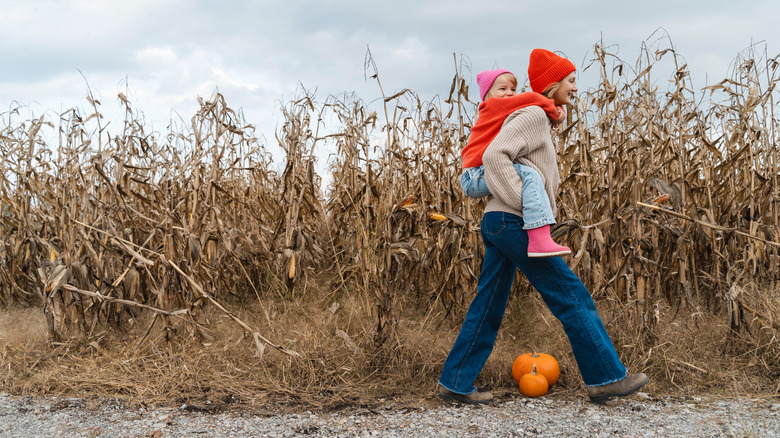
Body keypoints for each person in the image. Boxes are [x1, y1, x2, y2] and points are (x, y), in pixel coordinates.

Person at [439, 48, 649, 404]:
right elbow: (493, 156)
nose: (576, 88)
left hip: (499, 220)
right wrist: (523, 203)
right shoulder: (533, 114)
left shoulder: (536, 116)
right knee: (571, 295)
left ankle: (455, 382)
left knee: (487, 305)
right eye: (570, 80)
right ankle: (605, 377)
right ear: (552, 84)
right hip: (511, 221)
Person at [460, 68, 570, 257]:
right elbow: (529, 99)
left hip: (476, 174)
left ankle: (539, 235)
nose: (510, 94)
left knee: (494, 286)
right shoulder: (493, 105)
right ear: (487, 96)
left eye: (513, 89)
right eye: (502, 88)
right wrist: (554, 109)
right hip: (475, 175)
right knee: (529, 174)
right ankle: (539, 235)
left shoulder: (500, 110)